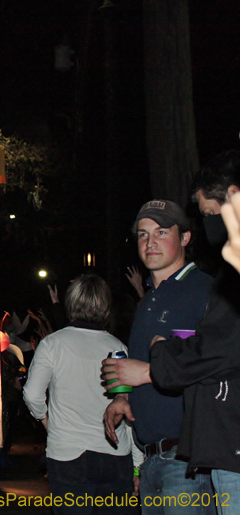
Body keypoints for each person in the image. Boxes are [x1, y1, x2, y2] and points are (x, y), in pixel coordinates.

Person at [101, 199, 214, 514]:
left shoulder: (207, 292)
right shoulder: (147, 300)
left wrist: (147, 373)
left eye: (161, 232)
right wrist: (125, 399)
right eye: (142, 234)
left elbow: (220, 363)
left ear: (185, 238)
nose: (149, 242)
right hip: (151, 458)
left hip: (189, 460)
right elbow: (140, 367)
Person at [147, 151, 240, 515]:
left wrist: (163, 356)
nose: (209, 227)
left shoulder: (218, 283)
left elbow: (219, 350)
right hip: (221, 446)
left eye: (209, 215)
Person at [23, 275, 141, 514]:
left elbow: (33, 394)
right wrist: (138, 464)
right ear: (105, 307)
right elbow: (130, 409)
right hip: (115, 454)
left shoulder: (52, 344)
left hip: (69, 455)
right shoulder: (118, 347)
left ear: (71, 305)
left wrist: (46, 422)